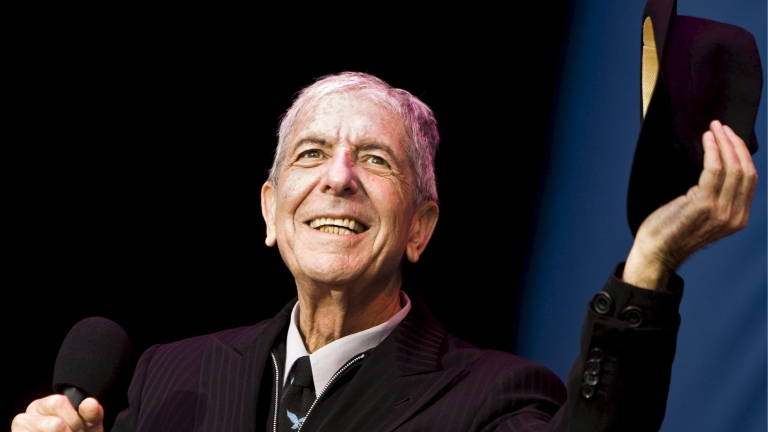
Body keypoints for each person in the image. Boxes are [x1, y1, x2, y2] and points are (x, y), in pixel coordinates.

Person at [12, 72, 757, 431]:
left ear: (420, 228)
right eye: (311, 155)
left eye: (374, 160)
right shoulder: (169, 381)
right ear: (272, 212)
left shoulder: (495, 399)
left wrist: (651, 261)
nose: (338, 178)